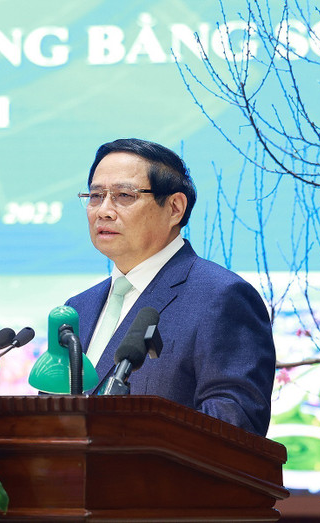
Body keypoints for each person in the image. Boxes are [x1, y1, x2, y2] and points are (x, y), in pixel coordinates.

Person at [65, 138, 275, 436]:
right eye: (96, 196)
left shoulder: (220, 297)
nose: (104, 211)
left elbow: (235, 424)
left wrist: (131, 441)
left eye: (124, 195)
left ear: (175, 208)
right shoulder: (78, 308)